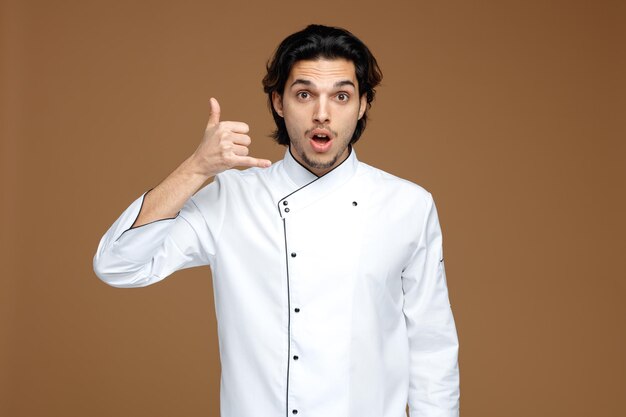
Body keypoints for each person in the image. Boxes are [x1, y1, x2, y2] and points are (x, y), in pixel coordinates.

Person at [93, 24, 460, 417]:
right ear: (279, 102)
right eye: (305, 95)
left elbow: (431, 349)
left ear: (363, 104)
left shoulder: (407, 206)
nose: (322, 114)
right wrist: (196, 169)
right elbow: (117, 265)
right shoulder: (232, 198)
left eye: (341, 96)